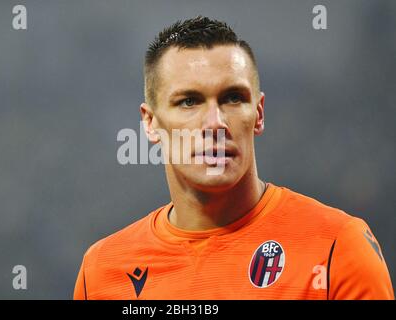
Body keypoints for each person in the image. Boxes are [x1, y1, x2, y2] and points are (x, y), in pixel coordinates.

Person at [74, 16, 394, 300]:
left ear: (258, 113)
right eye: (189, 101)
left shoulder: (336, 248)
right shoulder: (102, 270)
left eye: (232, 98)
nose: (215, 122)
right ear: (151, 123)